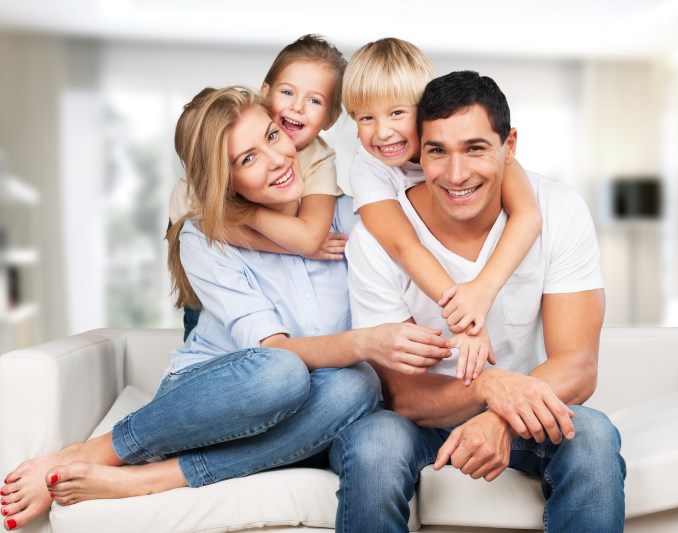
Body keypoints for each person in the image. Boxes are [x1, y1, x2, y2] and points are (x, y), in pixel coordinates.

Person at [0, 86, 452, 532]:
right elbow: (276, 351)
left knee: (359, 384)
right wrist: (363, 341)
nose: (276, 160)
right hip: (217, 400)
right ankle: (91, 453)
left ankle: (155, 479)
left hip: (318, 412)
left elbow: (442, 188)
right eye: (247, 159)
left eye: (273, 137)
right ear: (225, 179)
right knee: (281, 371)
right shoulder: (205, 237)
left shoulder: (355, 217)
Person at [330, 71, 626, 532]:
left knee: (590, 435)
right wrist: (488, 388)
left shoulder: (559, 208)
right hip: (420, 421)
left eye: (475, 148)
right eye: (437, 151)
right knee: (373, 444)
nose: (456, 174)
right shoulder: (376, 238)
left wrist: (501, 419)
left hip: (523, 410)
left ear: (509, 146)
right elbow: (403, 395)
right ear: (417, 151)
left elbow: (578, 365)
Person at [342, 38, 544, 385]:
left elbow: (528, 215)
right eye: (366, 118)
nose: (382, 131)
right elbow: (403, 245)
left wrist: (482, 291)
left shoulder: (472, 142)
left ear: (423, 111)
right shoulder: (369, 168)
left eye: (396, 113)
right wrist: (465, 318)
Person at [170, 34, 349, 340]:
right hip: (213, 279)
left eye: (315, 100)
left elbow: (308, 238)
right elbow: (203, 228)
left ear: (331, 119)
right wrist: (250, 216)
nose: (297, 107)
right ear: (265, 94)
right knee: (206, 327)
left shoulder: (318, 159)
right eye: (288, 92)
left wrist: (244, 215)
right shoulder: (207, 172)